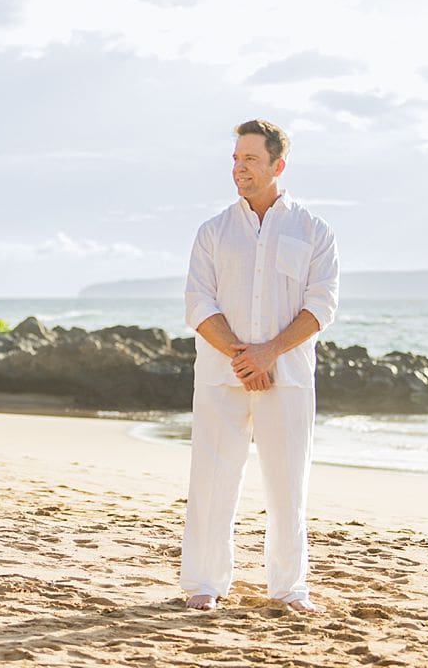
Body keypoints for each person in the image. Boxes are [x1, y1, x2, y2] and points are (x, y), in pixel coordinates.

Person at [180, 119, 340, 614]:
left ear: (278, 165)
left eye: (250, 159)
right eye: (235, 159)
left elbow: (322, 305)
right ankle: (204, 583)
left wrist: (268, 354)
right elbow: (198, 303)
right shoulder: (213, 231)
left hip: (287, 378)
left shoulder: (313, 230)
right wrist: (243, 358)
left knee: (288, 485)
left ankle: (290, 588)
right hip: (220, 375)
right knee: (211, 480)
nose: (239, 168)